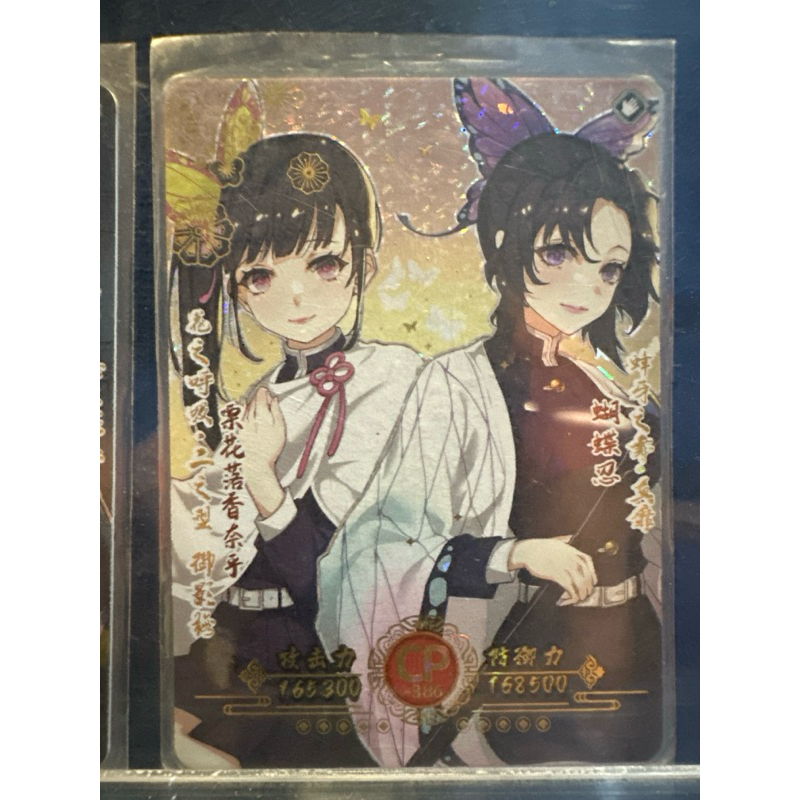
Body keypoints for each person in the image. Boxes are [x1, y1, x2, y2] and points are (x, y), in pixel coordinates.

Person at [323, 79, 663, 766]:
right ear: (507, 240)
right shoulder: (457, 384)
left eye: (608, 269)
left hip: (640, 650)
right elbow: (382, 543)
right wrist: (513, 554)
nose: (585, 288)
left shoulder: (620, 381)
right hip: (531, 660)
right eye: (558, 254)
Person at [169, 133, 424, 768]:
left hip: (313, 654)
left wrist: (262, 478)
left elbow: (343, 570)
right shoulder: (258, 395)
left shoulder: (392, 377)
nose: (296, 297)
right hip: (232, 640)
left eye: (325, 264)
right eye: (261, 275)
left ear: (364, 264)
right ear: (238, 289)